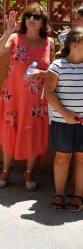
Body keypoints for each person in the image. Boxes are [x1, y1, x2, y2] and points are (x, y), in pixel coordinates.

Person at [0, 2, 55, 190]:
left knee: (33, 131)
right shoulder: (15, 37)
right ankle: (5, 169)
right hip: (14, 95)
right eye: (28, 16)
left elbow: (53, 70)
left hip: (36, 99)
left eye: (36, 17)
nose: (31, 20)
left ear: (43, 21)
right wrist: (8, 31)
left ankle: (29, 172)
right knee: (10, 129)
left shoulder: (49, 42)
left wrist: (42, 74)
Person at [45, 27, 83, 211]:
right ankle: (59, 193)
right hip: (62, 121)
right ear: (74, 44)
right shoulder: (57, 66)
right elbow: (49, 93)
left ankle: (77, 196)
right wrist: (66, 114)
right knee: (62, 157)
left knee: (82, 159)